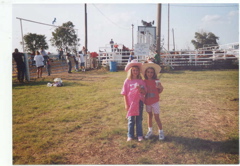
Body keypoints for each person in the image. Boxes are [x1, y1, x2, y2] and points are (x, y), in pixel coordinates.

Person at [121, 59, 147, 142]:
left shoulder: (141, 81)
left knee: (139, 120)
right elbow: (124, 93)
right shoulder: (127, 81)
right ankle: (130, 135)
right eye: (133, 70)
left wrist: (140, 89)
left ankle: (139, 135)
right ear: (131, 71)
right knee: (131, 120)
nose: (135, 72)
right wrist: (126, 104)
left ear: (139, 71)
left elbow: (144, 92)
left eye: (137, 70)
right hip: (131, 103)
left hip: (139, 102)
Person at [142, 62, 164, 140]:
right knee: (149, 116)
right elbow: (143, 91)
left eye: (151, 72)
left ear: (154, 73)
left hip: (155, 102)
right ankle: (150, 131)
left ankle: (161, 131)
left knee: (157, 117)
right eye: (148, 72)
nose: (150, 74)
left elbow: (160, 91)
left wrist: (160, 87)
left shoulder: (157, 81)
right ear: (146, 73)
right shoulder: (144, 81)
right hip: (147, 102)